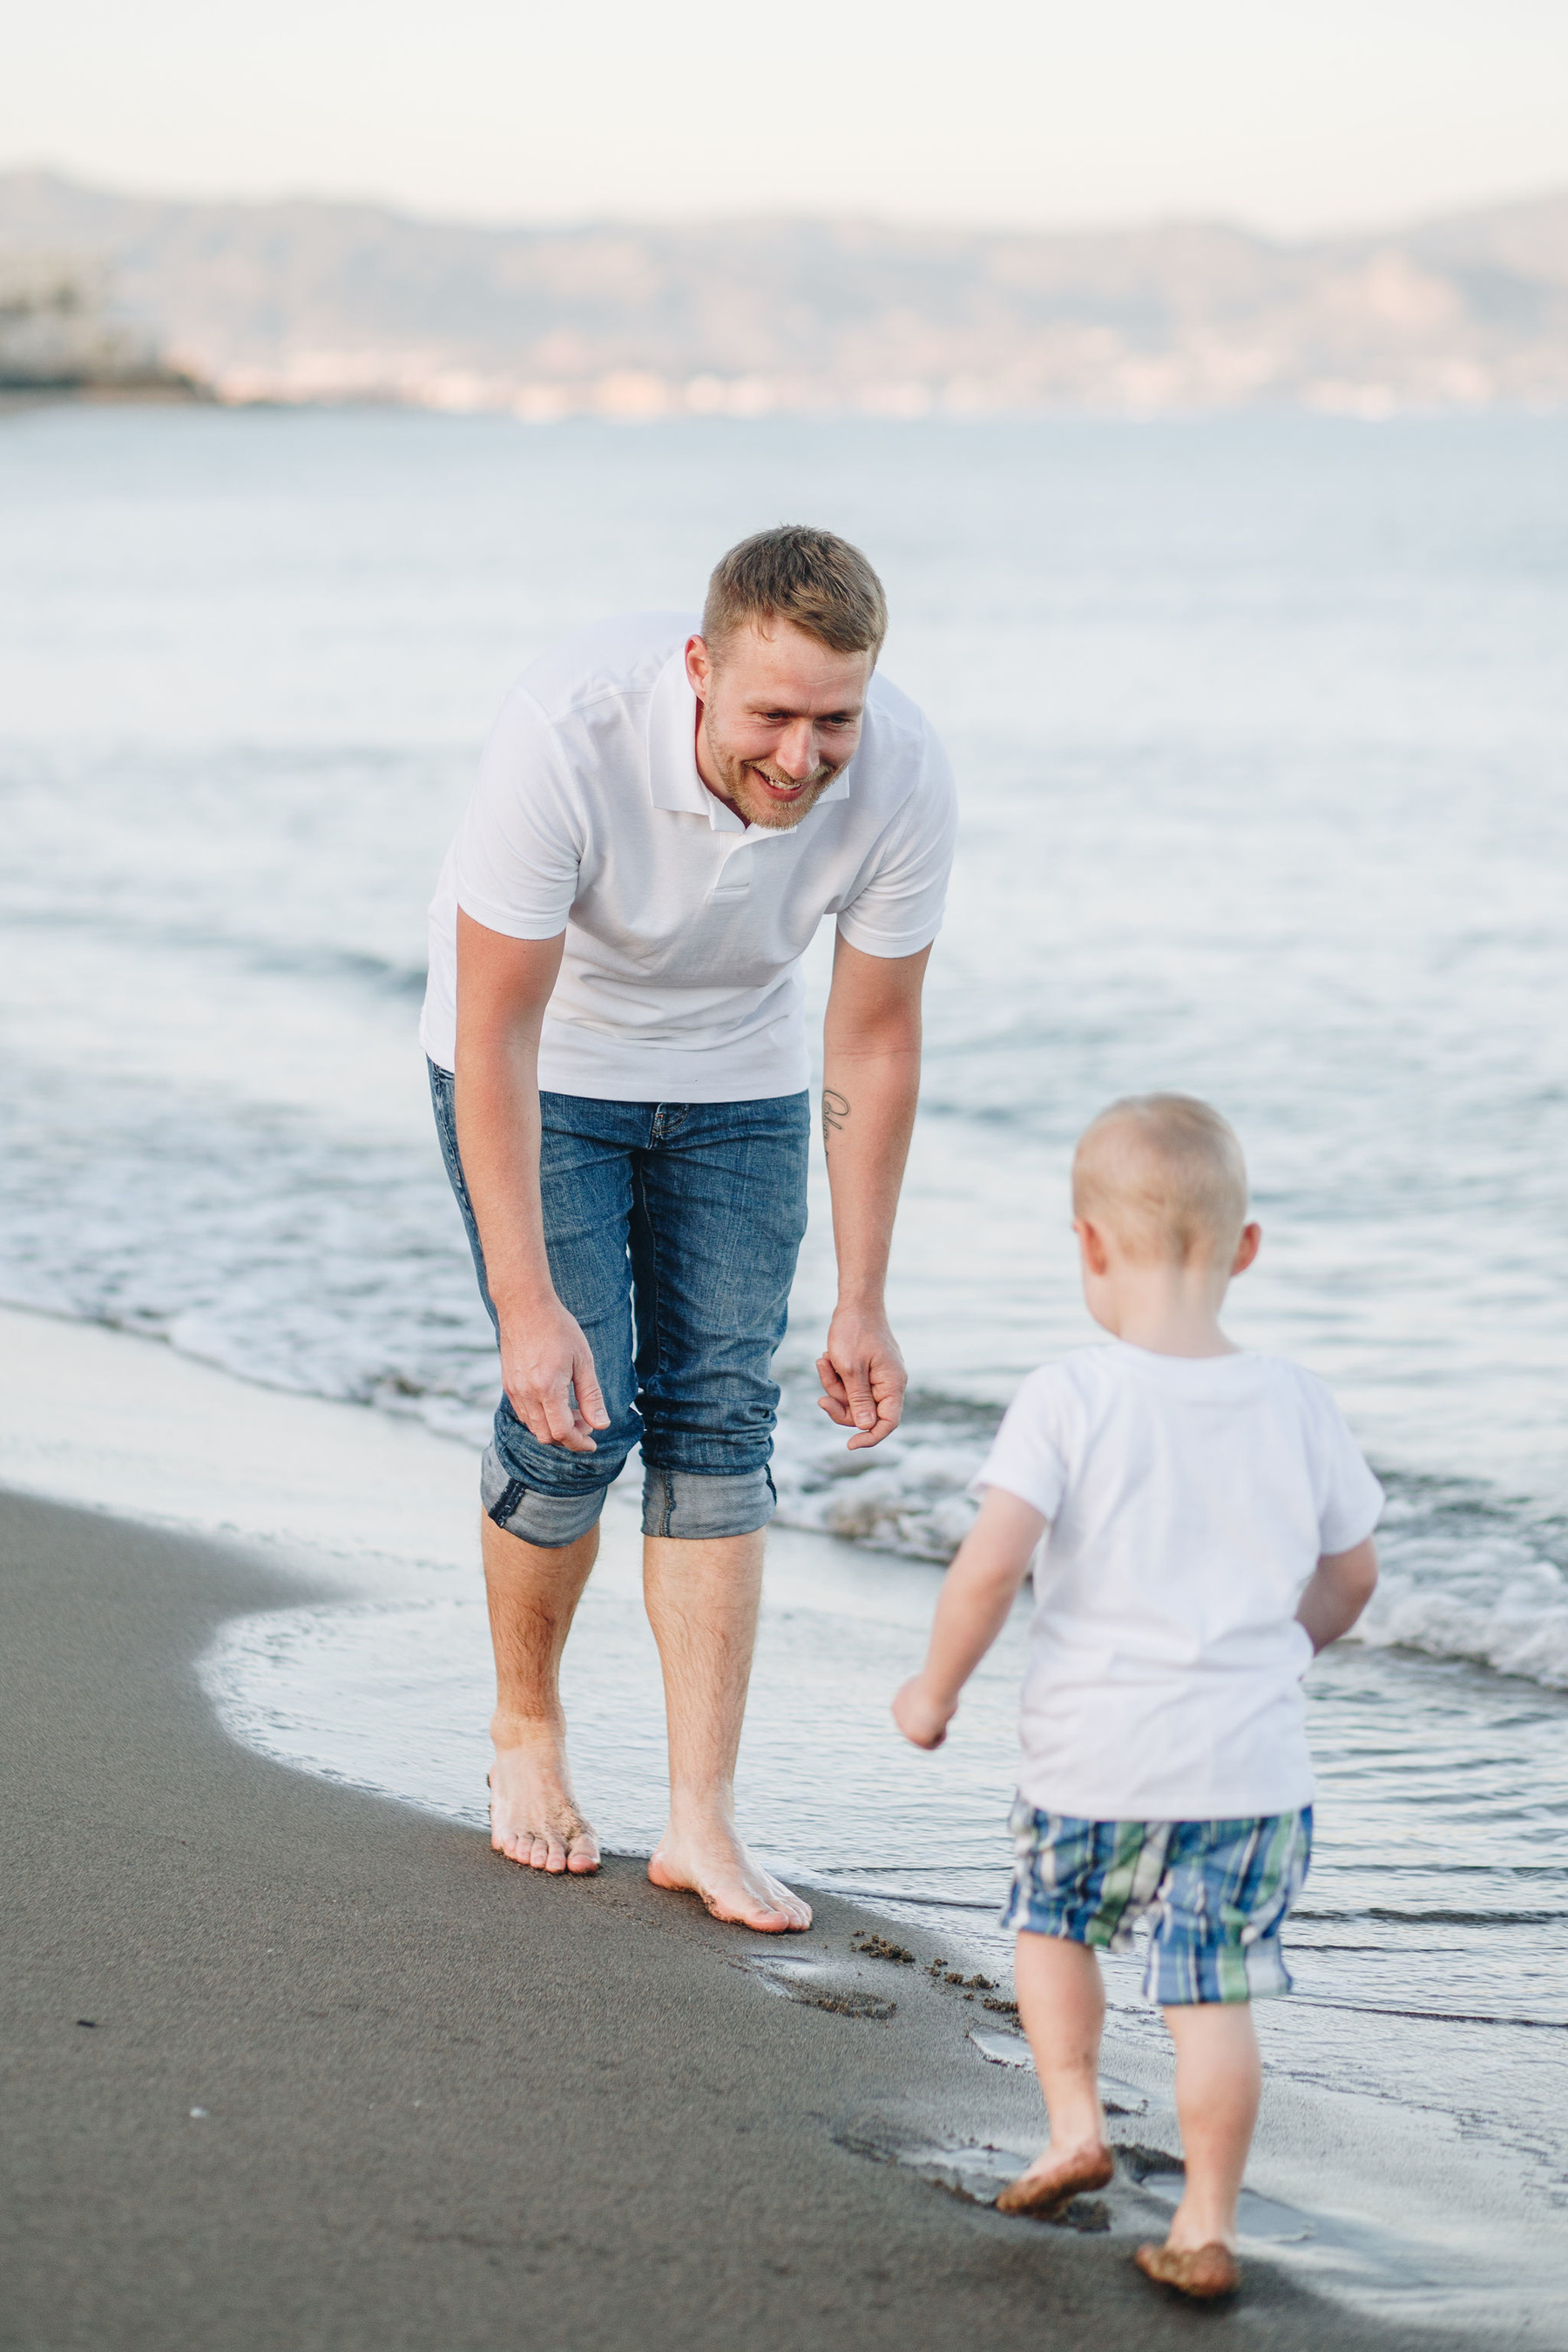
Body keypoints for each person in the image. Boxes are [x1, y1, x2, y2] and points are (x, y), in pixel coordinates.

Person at [421, 526, 957, 1934]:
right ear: (699, 669)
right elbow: (494, 1030)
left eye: (831, 720)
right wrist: (529, 1309)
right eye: (770, 717)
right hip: (547, 1071)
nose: (800, 756)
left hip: (737, 1081)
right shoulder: (568, 731)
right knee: (570, 1415)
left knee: (722, 1415)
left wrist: (866, 1295)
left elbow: (875, 1041)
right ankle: (525, 1730)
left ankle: (699, 1821)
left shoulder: (900, 773)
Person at [892, 1093, 1382, 2300]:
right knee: (1213, 1999)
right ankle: (1206, 2225)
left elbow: (993, 1564)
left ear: (1088, 1244)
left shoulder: (1070, 1395)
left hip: (1091, 1762)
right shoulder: (1299, 1402)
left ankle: (1072, 2126)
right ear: (1246, 1248)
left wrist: (933, 1689)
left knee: (1055, 1926)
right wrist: (1291, 1648)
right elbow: (1353, 1573)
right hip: (1250, 1776)